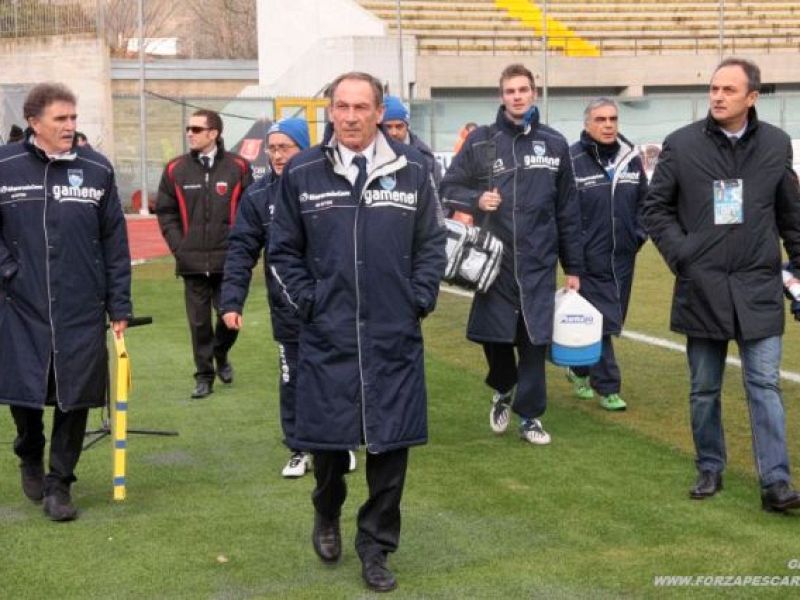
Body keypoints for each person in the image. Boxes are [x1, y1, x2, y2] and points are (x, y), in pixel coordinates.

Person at [268, 71, 446, 592]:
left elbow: (432, 243)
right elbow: (281, 251)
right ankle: (327, 511)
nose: (349, 117)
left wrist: (419, 297)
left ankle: (376, 548)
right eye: (340, 107)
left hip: (393, 335)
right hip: (329, 336)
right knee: (328, 448)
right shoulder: (302, 171)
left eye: (360, 107)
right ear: (330, 110)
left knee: (390, 452)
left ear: (378, 112)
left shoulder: (413, 169)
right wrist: (311, 302)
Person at [643, 57, 800, 512]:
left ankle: (776, 483)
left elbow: (791, 214)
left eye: (729, 90)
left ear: (751, 97)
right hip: (703, 287)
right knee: (705, 388)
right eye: (714, 88)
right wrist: (684, 256)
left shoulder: (775, 144)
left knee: (764, 386)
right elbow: (656, 210)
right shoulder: (681, 144)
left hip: (758, 287)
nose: (717, 96)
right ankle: (710, 466)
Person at [0, 82, 132, 521]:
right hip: (22, 304)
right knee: (24, 392)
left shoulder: (97, 169)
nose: (70, 127)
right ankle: (29, 451)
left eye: (74, 118)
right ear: (34, 122)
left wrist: (120, 305)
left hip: (81, 305)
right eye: (60, 119)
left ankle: (60, 483)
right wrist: (9, 271)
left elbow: (114, 240)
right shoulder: (6, 165)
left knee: (74, 397)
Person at [440, 63, 583, 445]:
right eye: (510, 91)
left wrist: (573, 267)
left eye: (523, 90)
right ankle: (503, 386)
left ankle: (531, 417)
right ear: (501, 96)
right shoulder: (482, 141)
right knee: (495, 339)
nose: (517, 96)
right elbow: (447, 186)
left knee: (534, 341)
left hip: (539, 261)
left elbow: (567, 209)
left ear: (534, 93)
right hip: (493, 262)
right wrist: (476, 199)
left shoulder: (554, 143)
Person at [220, 117, 320, 477]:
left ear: (304, 148)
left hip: (333, 305)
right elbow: (241, 249)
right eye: (273, 148)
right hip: (287, 307)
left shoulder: (329, 186)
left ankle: (338, 446)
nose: (278, 155)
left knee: (333, 377)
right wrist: (232, 301)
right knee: (292, 377)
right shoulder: (259, 195)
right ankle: (298, 448)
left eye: (286, 147)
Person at [156, 109, 253, 399]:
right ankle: (204, 376)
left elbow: (250, 212)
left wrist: (242, 250)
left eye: (196, 129)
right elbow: (166, 211)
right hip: (192, 262)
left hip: (229, 262)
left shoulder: (239, 167)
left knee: (229, 320)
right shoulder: (175, 169)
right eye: (188, 128)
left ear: (214, 133)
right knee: (198, 324)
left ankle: (221, 354)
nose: (190, 133)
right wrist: (179, 247)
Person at [565, 98, 648, 411]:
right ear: (588, 124)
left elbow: (646, 202)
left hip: (624, 256)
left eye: (613, 118)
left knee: (611, 319)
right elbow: (564, 211)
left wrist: (637, 236)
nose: (608, 124)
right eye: (600, 119)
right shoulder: (572, 160)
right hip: (588, 258)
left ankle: (578, 367)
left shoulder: (631, 159)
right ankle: (609, 387)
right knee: (601, 323)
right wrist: (574, 250)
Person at [381, 95, 444, 188]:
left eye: (399, 126)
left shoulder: (423, 156)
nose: (394, 133)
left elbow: (435, 192)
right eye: (388, 127)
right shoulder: (368, 152)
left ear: (407, 126)